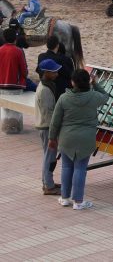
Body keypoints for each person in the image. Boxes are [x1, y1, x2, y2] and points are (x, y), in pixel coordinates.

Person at [48, 69, 109, 209]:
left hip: (66, 138)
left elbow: (55, 121)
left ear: (72, 82)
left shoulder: (64, 98)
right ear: (87, 82)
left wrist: (52, 138)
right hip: (86, 138)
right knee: (80, 169)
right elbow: (105, 96)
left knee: (66, 166)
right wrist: (96, 83)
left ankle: (64, 198)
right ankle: (78, 201)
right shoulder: (93, 97)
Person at [35, 59, 62, 195]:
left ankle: (48, 182)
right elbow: (50, 113)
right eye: (54, 72)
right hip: (47, 127)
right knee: (49, 157)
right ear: (46, 73)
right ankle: (48, 185)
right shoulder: (45, 90)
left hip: (45, 125)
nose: (57, 74)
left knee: (49, 155)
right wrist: (55, 131)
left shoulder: (45, 85)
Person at [36, 36, 74, 101]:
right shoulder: (64, 59)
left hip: (43, 87)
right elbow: (71, 75)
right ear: (57, 45)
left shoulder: (41, 56)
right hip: (60, 93)